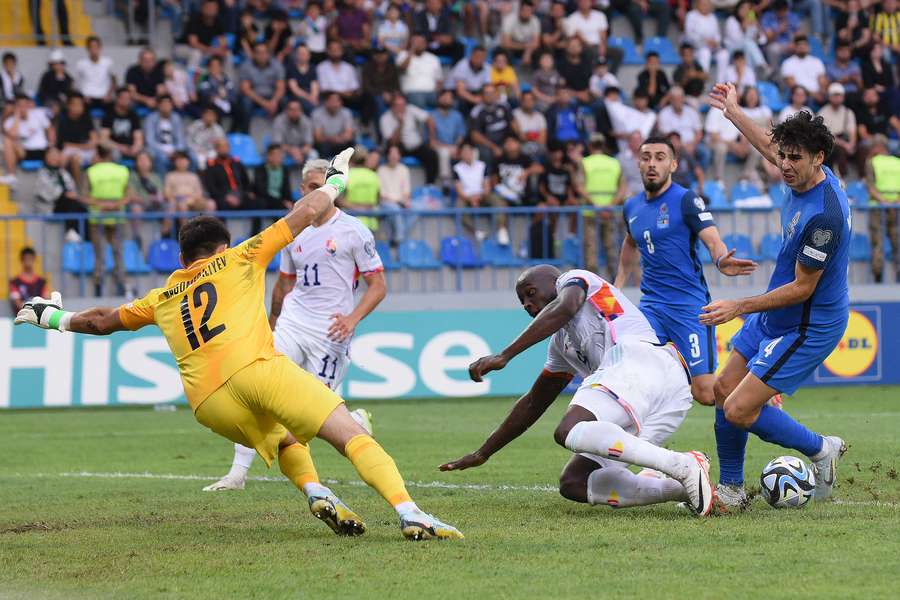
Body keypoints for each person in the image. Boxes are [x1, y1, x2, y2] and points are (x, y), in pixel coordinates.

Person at [14, 148, 462, 541]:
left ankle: (317, 492)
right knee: (348, 432)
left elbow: (100, 322)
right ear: (222, 246)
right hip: (256, 369)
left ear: (182, 258)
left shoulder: (162, 295)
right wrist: (338, 179)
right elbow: (306, 213)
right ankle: (410, 513)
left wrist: (50, 316)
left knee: (285, 438)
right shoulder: (241, 256)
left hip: (208, 403)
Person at [440, 265, 714, 516]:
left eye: (530, 293)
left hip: (639, 359)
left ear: (554, 281)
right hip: (665, 394)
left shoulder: (578, 279)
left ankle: (684, 466)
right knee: (575, 483)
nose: (527, 303)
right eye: (522, 301)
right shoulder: (561, 344)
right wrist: (483, 452)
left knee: (569, 429)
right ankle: (685, 487)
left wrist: (504, 356)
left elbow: (565, 306)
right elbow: (535, 401)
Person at [704, 83, 849, 511]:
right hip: (779, 311)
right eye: (783, 155)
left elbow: (804, 288)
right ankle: (731, 490)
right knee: (721, 389)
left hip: (810, 322)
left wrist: (737, 307)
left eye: (793, 158)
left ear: (819, 158)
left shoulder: (825, 216)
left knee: (739, 410)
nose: (783, 164)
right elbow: (770, 145)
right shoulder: (800, 171)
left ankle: (821, 448)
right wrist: (733, 112)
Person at [206, 158, 385, 493]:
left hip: (330, 332)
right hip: (293, 321)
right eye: (312, 188)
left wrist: (352, 319)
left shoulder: (354, 231)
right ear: (303, 190)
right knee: (257, 390)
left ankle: (356, 421)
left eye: (323, 188)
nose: (318, 195)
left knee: (311, 414)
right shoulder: (292, 231)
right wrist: (272, 324)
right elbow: (284, 283)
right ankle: (237, 474)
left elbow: (379, 285)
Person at [615, 135, 757, 408]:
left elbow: (713, 240)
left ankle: (758, 395)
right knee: (637, 377)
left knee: (704, 393)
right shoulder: (631, 206)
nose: (652, 164)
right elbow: (630, 244)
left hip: (687, 306)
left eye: (660, 157)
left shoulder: (686, 200)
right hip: (652, 307)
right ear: (638, 164)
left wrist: (720, 260)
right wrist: (617, 285)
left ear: (673, 165)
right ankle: (640, 446)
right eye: (646, 158)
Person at [85, 145, 129, 297]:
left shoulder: (91, 171)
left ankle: (98, 284)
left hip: (97, 217)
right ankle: (121, 284)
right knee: (118, 252)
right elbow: (129, 194)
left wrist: (102, 205)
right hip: (117, 216)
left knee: (99, 253)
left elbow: (85, 196)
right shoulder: (122, 170)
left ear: (98, 154)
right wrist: (115, 205)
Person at [581, 134, 627, 279]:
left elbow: (579, 187)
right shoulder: (615, 163)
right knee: (612, 248)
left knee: (591, 250)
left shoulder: (584, 162)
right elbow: (623, 188)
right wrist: (609, 206)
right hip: (610, 212)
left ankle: (592, 285)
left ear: (590, 146)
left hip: (591, 212)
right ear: (604, 145)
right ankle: (615, 284)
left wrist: (597, 206)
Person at [379, 94, 438, 184]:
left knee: (432, 155)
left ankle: (430, 185)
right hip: (397, 146)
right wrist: (400, 125)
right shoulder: (385, 118)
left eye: (403, 105)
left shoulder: (410, 109)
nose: (401, 108)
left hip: (415, 145)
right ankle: (394, 185)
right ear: (392, 106)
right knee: (392, 154)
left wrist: (432, 139)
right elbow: (392, 141)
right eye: (398, 105)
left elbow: (429, 119)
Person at [865, 135, 900, 283]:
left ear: (878, 147)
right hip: (896, 207)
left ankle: (878, 276)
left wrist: (882, 201)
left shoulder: (872, 162)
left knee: (877, 241)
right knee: (897, 241)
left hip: (878, 208)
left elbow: (870, 187)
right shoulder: (897, 162)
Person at [36, 147, 86, 238]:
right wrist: (66, 194)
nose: (55, 157)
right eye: (52, 155)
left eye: (57, 155)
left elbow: (71, 187)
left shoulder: (63, 172)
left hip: (67, 202)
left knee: (82, 207)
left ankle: (84, 236)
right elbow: (49, 194)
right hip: (51, 207)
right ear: (46, 157)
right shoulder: (42, 173)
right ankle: (70, 230)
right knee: (69, 200)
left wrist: (72, 194)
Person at [3, 94, 53, 179]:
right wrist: (17, 117)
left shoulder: (38, 114)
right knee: (8, 140)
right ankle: (11, 175)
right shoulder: (10, 121)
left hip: (42, 150)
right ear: (15, 107)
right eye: (19, 105)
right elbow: (13, 135)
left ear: (28, 105)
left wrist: (52, 145)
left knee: (57, 153)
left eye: (24, 105)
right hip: (24, 153)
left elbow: (50, 129)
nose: (22, 108)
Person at [453, 142, 495, 241]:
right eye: (464, 152)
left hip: (482, 195)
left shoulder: (482, 165)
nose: (467, 154)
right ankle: (476, 231)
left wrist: (480, 196)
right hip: (466, 197)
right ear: (460, 154)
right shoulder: (456, 168)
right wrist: (470, 198)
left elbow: (487, 186)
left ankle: (501, 229)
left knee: (497, 200)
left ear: (473, 152)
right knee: (459, 207)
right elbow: (459, 189)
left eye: (468, 151)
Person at [128, 150, 173, 241]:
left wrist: (161, 197)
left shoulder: (156, 177)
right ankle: (137, 237)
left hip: (156, 204)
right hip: (141, 204)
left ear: (151, 163)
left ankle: (163, 233)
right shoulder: (132, 176)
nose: (143, 163)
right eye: (140, 160)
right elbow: (131, 196)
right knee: (136, 208)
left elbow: (162, 193)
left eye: (146, 160)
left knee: (171, 206)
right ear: (136, 163)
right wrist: (147, 198)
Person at [55, 92, 97, 189]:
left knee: (92, 158)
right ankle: (65, 186)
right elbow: (63, 144)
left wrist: (76, 146)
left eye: (80, 105)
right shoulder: (61, 118)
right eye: (74, 104)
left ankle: (85, 188)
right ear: (68, 105)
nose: (77, 108)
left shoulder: (86, 118)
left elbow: (94, 141)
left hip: (84, 150)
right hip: (68, 149)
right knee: (64, 158)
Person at [817, 83, 857, 179]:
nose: (837, 98)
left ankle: (862, 179)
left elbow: (852, 130)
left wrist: (852, 144)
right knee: (838, 151)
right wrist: (845, 145)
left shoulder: (848, 112)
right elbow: (826, 135)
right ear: (830, 97)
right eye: (835, 95)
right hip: (830, 141)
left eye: (839, 95)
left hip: (844, 139)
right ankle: (840, 177)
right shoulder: (823, 112)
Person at [196, 55, 245, 133]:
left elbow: (232, 93)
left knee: (240, 109)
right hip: (212, 104)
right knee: (216, 111)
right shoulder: (205, 78)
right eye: (213, 66)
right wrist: (216, 96)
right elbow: (204, 93)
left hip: (225, 102)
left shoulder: (225, 79)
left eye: (217, 66)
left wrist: (226, 96)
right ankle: (218, 134)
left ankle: (232, 132)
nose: (215, 68)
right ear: (209, 68)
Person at [203, 137, 254, 211]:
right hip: (223, 196)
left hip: (240, 194)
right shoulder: (211, 166)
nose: (224, 149)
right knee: (220, 204)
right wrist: (226, 197)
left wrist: (247, 192)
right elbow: (211, 187)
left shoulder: (237, 163)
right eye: (221, 146)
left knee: (257, 202)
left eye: (226, 146)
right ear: (216, 149)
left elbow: (246, 181)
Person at [684, 0, 729, 82]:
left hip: (712, 47)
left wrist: (716, 42)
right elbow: (689, 34)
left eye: (707, 4)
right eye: (703, 4)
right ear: (697, 4)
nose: (705, 6)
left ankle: (720, 83)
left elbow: (717, 34)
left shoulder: (712, 17)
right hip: (696, 48)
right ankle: (703, 81)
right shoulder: (691, 15)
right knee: (705, 53)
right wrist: (704, 41)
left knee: (724, 54)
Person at [239, 42, 286, 120]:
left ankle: (281, 128)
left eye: (264, 52)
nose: (262, 55)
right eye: (258, 53)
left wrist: (274, 101)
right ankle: (245, 130)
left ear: (268, 54)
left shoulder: (277, 65)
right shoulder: (246, 66)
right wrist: (264, 103)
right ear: (254, 54)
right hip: (254, 96)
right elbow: (246, 89)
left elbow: (281, 88)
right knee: (245, 102)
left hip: (271, 96)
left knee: (284, 101)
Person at [144, 94, 187, 177]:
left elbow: (181, 139)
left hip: (174, 150)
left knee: (192, 158)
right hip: (157, 150)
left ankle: (185, 182)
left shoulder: (176, 118)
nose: (166, 106)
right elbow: (150, 141)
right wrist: (164, 152)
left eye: (168, 104)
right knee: (162, 159)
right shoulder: (151, 118)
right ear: (158, 105)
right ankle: (164, 185)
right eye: (163, 104)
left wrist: (177, 151)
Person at [378, 145, 414, 244]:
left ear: (399, 156)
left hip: (400, 201)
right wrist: (398, 202)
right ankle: (399, 239)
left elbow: (406, 190)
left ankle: (397, 235)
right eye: (391, 154)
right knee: (395, 209)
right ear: (387, 156)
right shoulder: (381, 170)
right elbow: (382, 195)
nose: (394, 156)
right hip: (386, 202)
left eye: (396, 154)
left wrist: (405, 201)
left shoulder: (404, 169)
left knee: (415, 207)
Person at [396, 34, 443, 109]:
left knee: (448, 102)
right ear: (411, 43)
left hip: (432, 93)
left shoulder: (434, 58)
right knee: (419, 101)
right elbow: (402, 68)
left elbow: (439, 80)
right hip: (412, 92)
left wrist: (439, 94)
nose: (419, 44)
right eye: (416, 42)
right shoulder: (403, 55)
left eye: (422, 42)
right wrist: (412, 51)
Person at [429, 89, 466, 183]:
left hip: (454, 147)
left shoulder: (457, 116)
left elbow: (460, 135)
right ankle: (446, 183)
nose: (446, 99)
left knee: (472, 152)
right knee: (444, 153)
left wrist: (456, 147)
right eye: (444, 97)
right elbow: (431, 141)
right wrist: (449, 148)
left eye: (449, 98)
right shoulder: (431, 116)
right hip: (437, 147)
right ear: (438, 99)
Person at [656, 87, 703, 161]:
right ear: (670, 100)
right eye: (675, 99)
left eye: (680, 98)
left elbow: (699, 133)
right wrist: (682, 146)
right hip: (673, 145)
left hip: (692, 143)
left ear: (683, 98)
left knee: (705, 153)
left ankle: (698, 172)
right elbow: (666, 135)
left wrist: (692, 144)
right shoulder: (664, 113)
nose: (678, 101)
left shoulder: (692, 112)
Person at [181, 0, 230, 72]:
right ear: (202, 8)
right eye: (209, 7)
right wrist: (212, 50)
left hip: (205, 50)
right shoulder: (194, 18)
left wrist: (222, 50)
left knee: (228, 55)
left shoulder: (218, 21)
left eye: (214, 8)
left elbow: (223, 42)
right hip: (183, 47)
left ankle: (225, 81)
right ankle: (191, 79)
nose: (211, 10)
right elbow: (193, 43)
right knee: (196, 53)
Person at [780, 35, 828, 105]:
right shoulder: (788, 63)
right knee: (802, 97)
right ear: (795, 47)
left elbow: (822, 80)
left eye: (804, 45)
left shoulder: (817, 62)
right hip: (800, 95)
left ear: (809, 47)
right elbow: (793, 86)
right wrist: (813, 95)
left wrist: (822, 92)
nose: (802, 47)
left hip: (817, 95)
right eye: (799, 45)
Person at [100, 88, 144, 162]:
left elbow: (138, 138)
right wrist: (120, 148)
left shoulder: (134, 116)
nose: (127, 101)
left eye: (129, 99)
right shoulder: (109, 115)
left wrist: (135, 148)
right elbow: (103, 139)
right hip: (115, 148)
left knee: (144, 155)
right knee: (114, 154)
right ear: (117, 99)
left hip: (130, 148)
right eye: (124, 98)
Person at [315, 40, 361, 112]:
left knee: (366, 98)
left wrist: (349, 94)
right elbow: (324, 89)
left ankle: (365, 123)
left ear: (342, 51)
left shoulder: (349, 67)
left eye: (337, 49)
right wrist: (342, 93)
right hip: (329, 98)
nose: (335, 52)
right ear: (328, 51)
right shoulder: (321, 67)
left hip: (348, 99)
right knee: (331, 98)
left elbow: (354, 87)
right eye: (333, 50)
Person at [75, 36, 115, 113]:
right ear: (87, 49)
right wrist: (83, 96)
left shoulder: (108, 62)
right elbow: (77, 83)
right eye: (91, 47)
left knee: (114, 109)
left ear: (100, 48)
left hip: (104, 96)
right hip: (87, 97)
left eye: (96, 47)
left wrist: (109, 95)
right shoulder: (81, 64)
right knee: (80, 109)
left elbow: (114, 81)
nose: (94, 49)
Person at [311, 92, 355, 158]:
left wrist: (339, 138)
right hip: (326, 143)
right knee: (322, 146)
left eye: (338, 101)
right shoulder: (317, 114)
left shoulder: (346, 112)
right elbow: (318, 137)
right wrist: (331, 139)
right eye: (332, 101)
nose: (335, 104)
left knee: (351, 145)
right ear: (326, 102)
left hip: (341, 141)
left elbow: (349, 134)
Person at [271, 99, 313, 167]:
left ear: (301, 111)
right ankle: (284, 176)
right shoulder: (279, 121)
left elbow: (308, 144)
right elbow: (277, 144)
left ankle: (310, 176)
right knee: (276, 154)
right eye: (292, 109)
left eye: (297, 110)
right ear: (286, 111)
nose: (294, 112)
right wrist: (292, 150)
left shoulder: (306, 121)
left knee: (313, 154)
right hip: (284, 150)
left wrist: (299, 151)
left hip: (301, 150)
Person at [251, 144, 292, 211]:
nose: (279, 157)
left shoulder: (285, 170)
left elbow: (287, 190)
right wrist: (281, 202)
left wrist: (288, 201)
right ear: (269, 156)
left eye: (280, 155)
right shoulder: (260, 169)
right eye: (276, 155)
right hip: (266, 200)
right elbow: (261, 191)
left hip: (281, 200)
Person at [500, 0, 541, 66]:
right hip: (513, 45)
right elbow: (506, 43)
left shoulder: (535, 20)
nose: (526, 13)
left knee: (539, 51)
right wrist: (524, 46)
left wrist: (528, 52)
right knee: (505, 51)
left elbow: (536, 43)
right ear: (519, 10)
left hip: (527, 46)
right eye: (524, 10)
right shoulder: (509, 19)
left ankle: (536, 75)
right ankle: (510, 73)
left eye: (529, 11)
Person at [9, 247, 49, 313]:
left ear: (34, 259)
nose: (28, 261)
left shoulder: (42, 282)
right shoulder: (14, 282)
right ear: (21, 260)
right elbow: (18, 304)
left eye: (30, 258)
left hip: (38, 320)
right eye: (26, 259)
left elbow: (46, 300)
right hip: (22, 320)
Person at [284, 45, 320, 115]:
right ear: (296, 55)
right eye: (300, 53)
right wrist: (309, 97)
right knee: (309, 107)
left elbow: (314, 85)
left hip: (310, 94)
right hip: (296, 96)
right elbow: (295, 89)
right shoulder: (291, 68)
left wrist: (314, 96)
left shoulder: (313, 68)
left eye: (304, 53)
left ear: (309, 56)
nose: (302, 55)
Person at [36, 50, 74, 114]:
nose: (58, 66)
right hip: (49, 101)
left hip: (64, 102)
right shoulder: (47, 76)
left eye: (60, 63)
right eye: (55, 64)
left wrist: (62, 80)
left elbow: (68, 91)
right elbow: (42, 92)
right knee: (55, 107)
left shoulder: (67, 77)